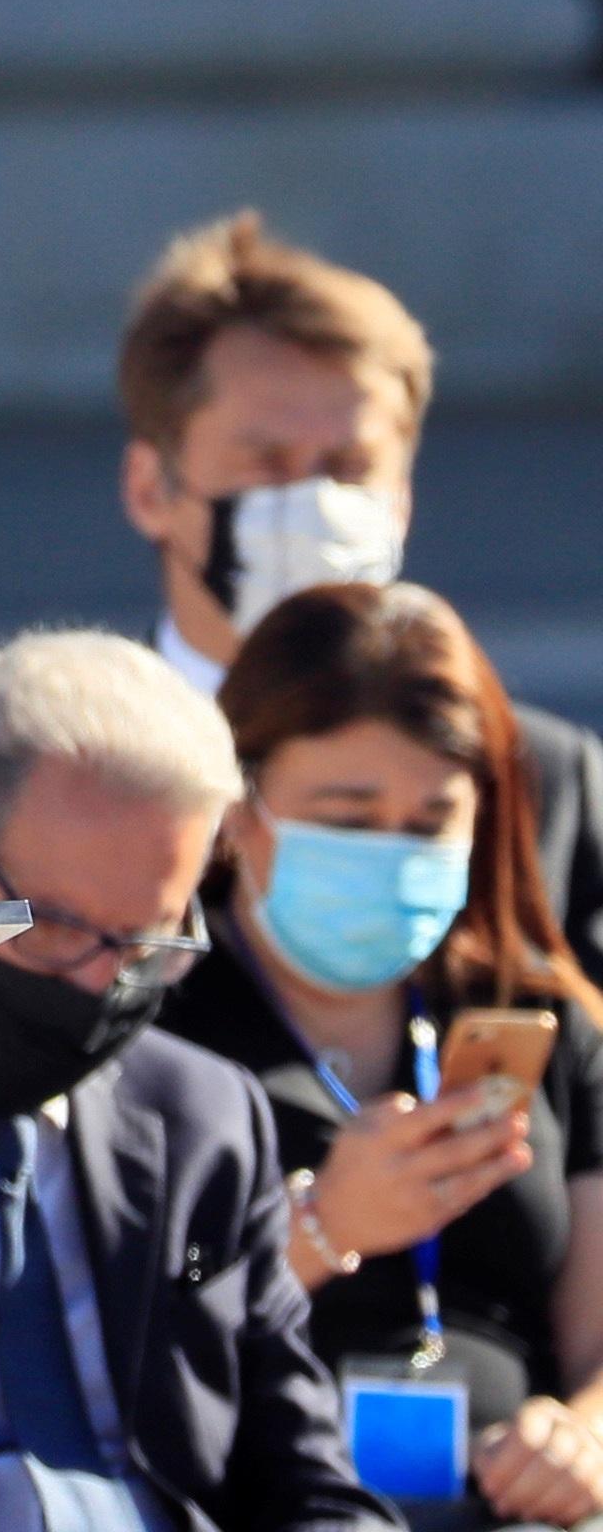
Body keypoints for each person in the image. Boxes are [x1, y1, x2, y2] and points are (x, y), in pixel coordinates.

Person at [0, 628, 389, 1532]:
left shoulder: (203, 1119)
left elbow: (305, 1479)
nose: (97, 980)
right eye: (53, 925)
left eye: (148, 943)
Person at [160, 583, 603, 1530]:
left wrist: (580, 1434)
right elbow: (117, 1329)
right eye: (349, 819)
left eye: (430, 823)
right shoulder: (153, 1026)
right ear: (240, 806)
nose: (392, 857)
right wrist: (322, 1230)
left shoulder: (532, 1012)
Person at [116, 210, 603, 981]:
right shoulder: (67, 771)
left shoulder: (536, 776)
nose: (314, 500)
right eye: (268, 463)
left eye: (349, 467)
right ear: (151, 489)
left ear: (401, 498)